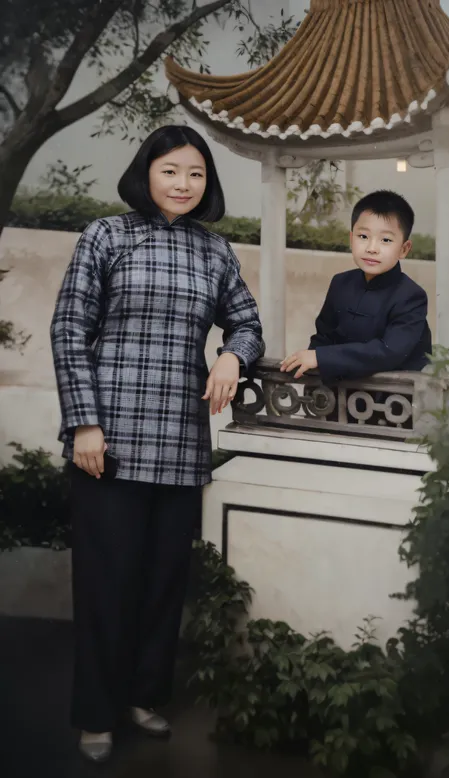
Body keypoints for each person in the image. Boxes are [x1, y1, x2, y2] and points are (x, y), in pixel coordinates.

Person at [50, 125, 264, 763]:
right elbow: (68, 329)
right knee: (105, 583)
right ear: (147, 173)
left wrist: (231, 355)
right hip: (107, 442)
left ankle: (144, 696)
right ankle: (96, 713)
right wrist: (84, 422)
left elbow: (248, 322)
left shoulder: (214, 251)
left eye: (196, 174)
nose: (183, 184)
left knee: (163, 582)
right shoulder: (106, 237)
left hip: (179, 443)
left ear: (207, 184)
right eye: (171, 170)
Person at [281, 190, 432, 384]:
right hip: (340, 397)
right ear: (351, 239)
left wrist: (321, 357)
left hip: (392, 402)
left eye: (385, 240)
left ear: (404, 249)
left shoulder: (411, 296)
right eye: (363, 236)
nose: (372, 248)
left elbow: (389, 351)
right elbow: (323, 337)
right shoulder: (340, 283)